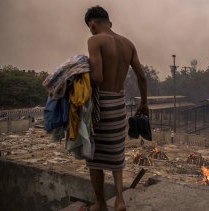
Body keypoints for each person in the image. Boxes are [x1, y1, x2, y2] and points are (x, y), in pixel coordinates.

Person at [83, 6, 149, 211]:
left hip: (101, 106)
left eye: (90, 27)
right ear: (109, 22)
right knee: (115, 155)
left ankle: (101, 203)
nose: (91, 31)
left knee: (94, 158)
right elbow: (142, 76)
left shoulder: (95, 40)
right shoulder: (128, 44)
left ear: (92, 24)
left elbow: (98, 78)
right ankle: (120, 200)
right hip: (119, 105)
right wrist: (144, 102)